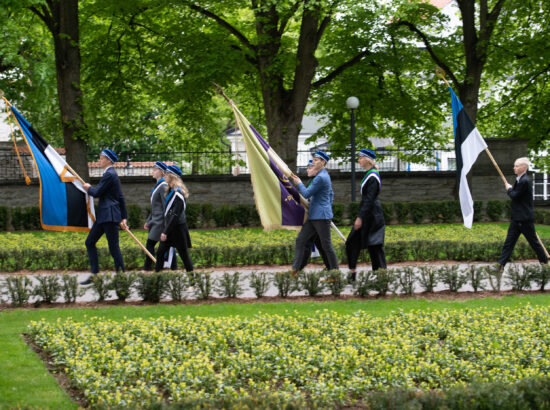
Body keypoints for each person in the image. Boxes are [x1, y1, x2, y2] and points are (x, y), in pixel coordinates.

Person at [81, 149, 127, 285]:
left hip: (110, 216)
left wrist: (88, 188)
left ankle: (121, 276)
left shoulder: (109, 174)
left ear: (108, 160)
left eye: (101, 158)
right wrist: (124, 217)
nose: (99, 161)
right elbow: (121, 197)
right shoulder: (111, 174)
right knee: (90, 242)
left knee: (113, 247)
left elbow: (96, 193)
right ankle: (95, 274)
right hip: (104, 216)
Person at [290, 151, 339, 273]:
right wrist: (326, 206)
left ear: (323, 162)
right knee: (301, 240)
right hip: (315, 216)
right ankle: (295, 270)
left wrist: (299, 183)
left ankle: (335, 273)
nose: (313, 162)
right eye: (314, 159)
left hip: (321, 217)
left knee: (326, 246)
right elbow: (330, 194)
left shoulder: (321, 177)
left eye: (316, 160)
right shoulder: (322, 176)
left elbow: (306, 193)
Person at [497, 157, 548, 270]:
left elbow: (514, 196)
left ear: (524, 167)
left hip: (524, 220)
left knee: (534, 243)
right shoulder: (520, 179)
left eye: (517, 166)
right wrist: (511, 188)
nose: (514, 168)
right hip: (517, 219)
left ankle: (545, 265)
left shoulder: (524, 181)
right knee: (508, 244)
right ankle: (499, 266)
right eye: (514, 166)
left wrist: (509, 189)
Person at [345, 148, 386, 283]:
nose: (359, 160)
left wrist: (360, 217)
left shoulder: (373, 176)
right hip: (368, 213)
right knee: (352, 242)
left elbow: (369, 199)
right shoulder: (371, 173)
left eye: (361, 157)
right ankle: (353, 273)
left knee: (375, 246)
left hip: (372, 216)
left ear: (367, 159)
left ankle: (382, 276)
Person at [155, 165, 194, 273]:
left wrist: (165, 232)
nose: (165, 176)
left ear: (172, 176)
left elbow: (175, 215)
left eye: (166, 174)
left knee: (184, 256)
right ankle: (155, 282)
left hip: (178, 229)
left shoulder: (178, 193)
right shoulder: (170, 190)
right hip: (170, 228)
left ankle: (193, 282)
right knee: (160, 253)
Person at [143, 161, 177, 271]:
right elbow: (154, 207)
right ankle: (172, 267)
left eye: (155, 169)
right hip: (154, 221)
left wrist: (167, 226)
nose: (153, 171)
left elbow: (166, 207)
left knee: (150, 244)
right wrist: (148, 220)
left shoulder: (163, 186)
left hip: (160, 222)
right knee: (163, 245)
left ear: (162, 172)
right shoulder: (158, 186)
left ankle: (147, 268)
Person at [297, 160, 329, 270]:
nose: (307, 170)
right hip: (314, 216)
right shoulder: (312, 180)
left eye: (310, 168)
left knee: (308, 242)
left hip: (319, 216)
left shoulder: (319, 180)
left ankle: (298, 268)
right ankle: (331, 269)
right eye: (307, 168)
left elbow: (328, 195)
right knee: (318, 244)